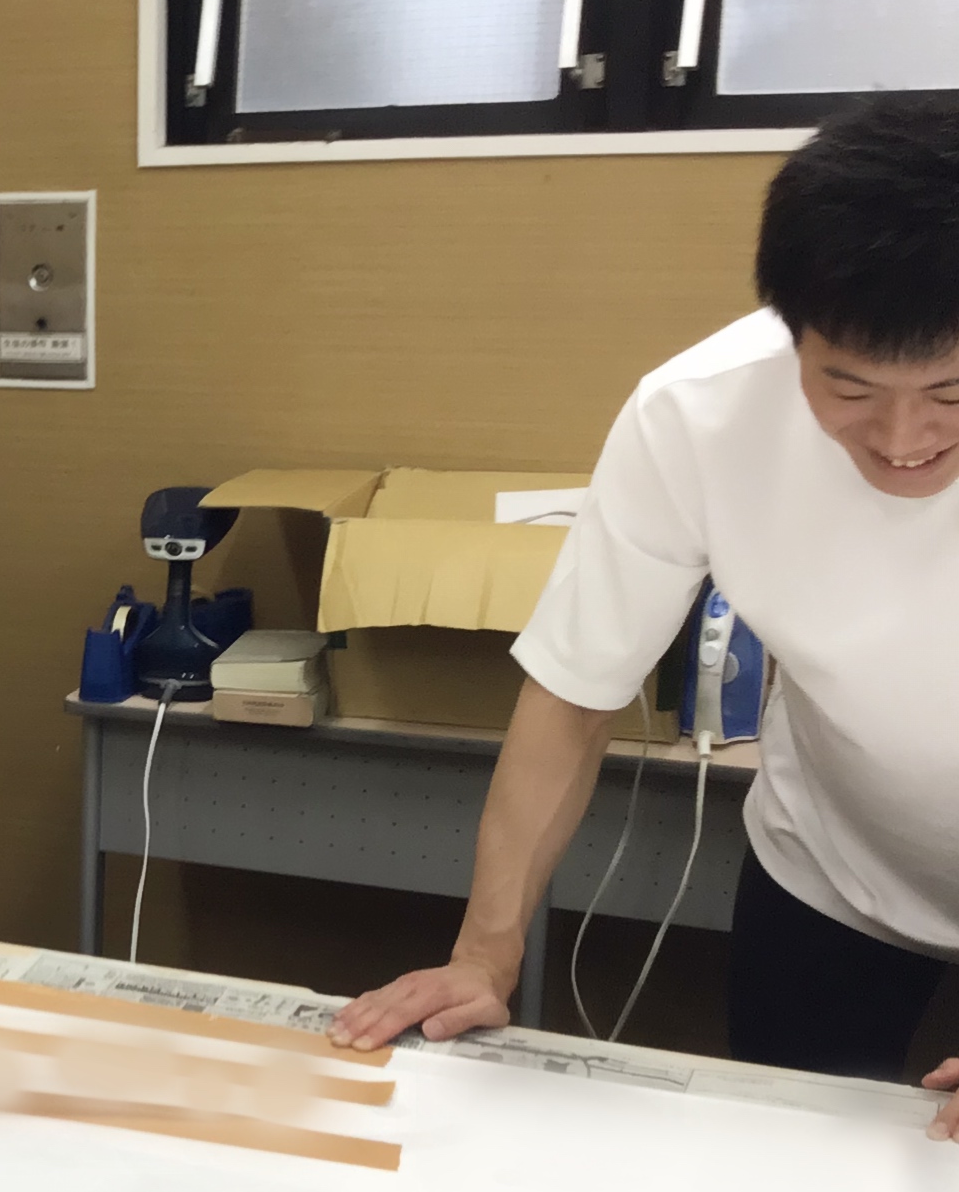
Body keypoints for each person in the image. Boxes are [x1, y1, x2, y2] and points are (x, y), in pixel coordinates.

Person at [329, 97, 959, 1134]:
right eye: (848, 389)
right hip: (834, 873)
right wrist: (483, 955)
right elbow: (574, 692)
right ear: (790, 329)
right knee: (787, 1163)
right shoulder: (697, 412)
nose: (901, 438)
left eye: (950, 393)